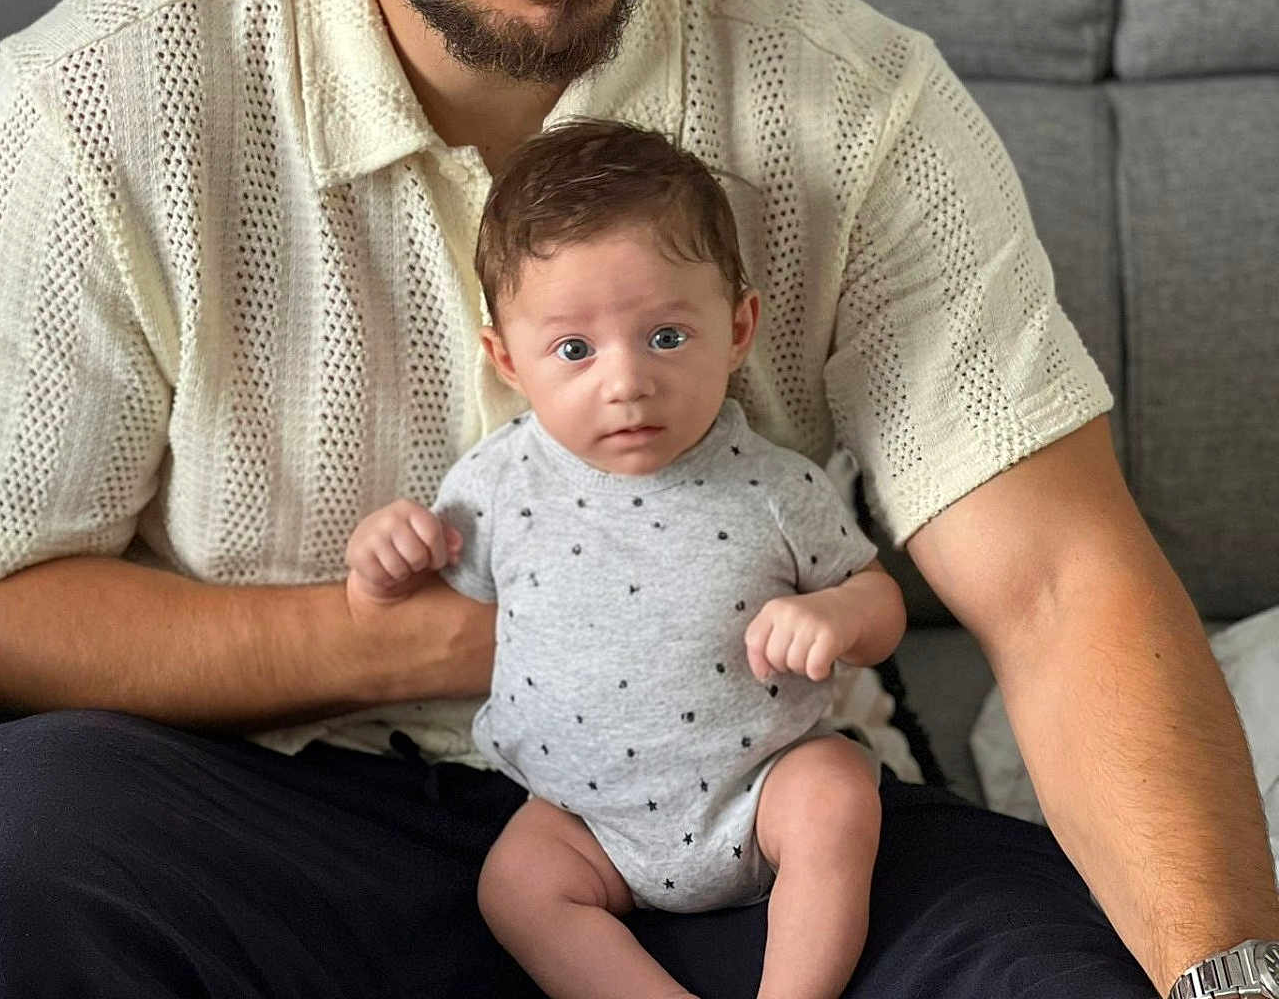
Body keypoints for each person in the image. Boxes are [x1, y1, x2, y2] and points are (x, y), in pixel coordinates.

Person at [0, 0, 1275, 994]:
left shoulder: (857, 101)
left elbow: (1058, 582)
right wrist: (480, 643)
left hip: (759, 818)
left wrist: (1231, 981)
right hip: (267, 811)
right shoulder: (102, 100)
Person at [345, 119, 907, 999]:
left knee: (838, 793)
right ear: (508, 361)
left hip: (757, 792)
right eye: (574, 350)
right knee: (517, 889)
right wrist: (378, 560)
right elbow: (403, 600)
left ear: (739, 327)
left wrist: (837, 616)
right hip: (583, 818)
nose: (626, 382)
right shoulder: (498, 482)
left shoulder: (774, 487)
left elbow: (879, 604)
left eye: (667, 337)